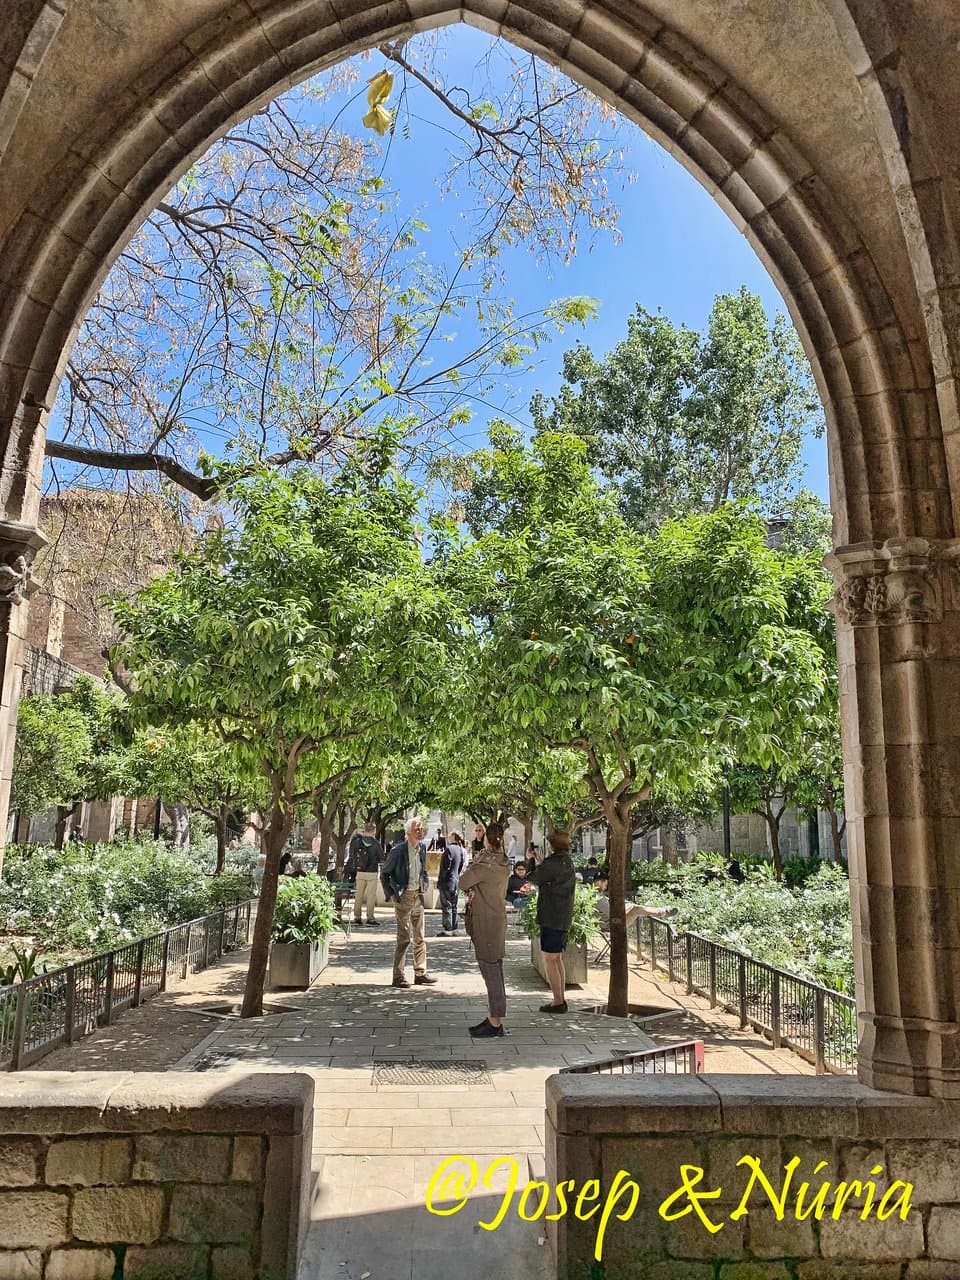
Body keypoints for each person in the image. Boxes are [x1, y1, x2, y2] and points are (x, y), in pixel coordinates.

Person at [459, 820, 511, 1038]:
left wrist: (478, 858)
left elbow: (463, 882)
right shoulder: (504, 862)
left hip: (485, 921)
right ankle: (493, 1016)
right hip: (497, 919)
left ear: (487, 839)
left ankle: (495, 1022)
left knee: (490, 971)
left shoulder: (484, 865)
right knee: (495, 968)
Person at [380, 816, 437, 988]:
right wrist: (392, 894)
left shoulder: (421, 849)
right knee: (404, 938)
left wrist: (424, 883)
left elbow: (423, 871)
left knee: (420, 937)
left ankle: (420, 973)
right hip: (403, 897)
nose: (420, 832)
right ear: (408, 833)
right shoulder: (398, 851)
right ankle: (398, 976)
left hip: (417, 897)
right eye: (417, 830)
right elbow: (385, 874)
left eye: (421, 829)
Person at [529, 827, 577, 1014]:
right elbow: (550, 876)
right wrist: (542, 861)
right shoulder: (566, 862)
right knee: (557, 959)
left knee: (550, 958)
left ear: (552, 845)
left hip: (551, 916)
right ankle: (560, 998)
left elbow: (534, 878)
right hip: (563, 916)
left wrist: (533, 861)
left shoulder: (553, 863)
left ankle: (557, 1001)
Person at [346, 821, 384, 927]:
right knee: (371, 896)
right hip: (372, 873)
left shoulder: (358, 841)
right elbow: (381, 858)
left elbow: (352, 855)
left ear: (365, 830)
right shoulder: (376, 843)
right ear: (374, 831)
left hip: (360, 871)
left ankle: (357, 917)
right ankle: (370, 918)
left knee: (359, 895)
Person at [437, 831, 466, 936]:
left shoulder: (449, 849)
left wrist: (441, 880)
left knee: (447, 905)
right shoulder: (460, 850)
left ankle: (448, 928)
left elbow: (446, 867)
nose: (448, 837)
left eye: (449, 835)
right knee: (454, 905)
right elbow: (461, 865)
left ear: (454, 837)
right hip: (455, 881)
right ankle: (454, 926)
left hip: (447, 882)